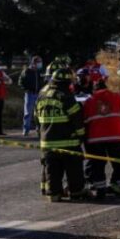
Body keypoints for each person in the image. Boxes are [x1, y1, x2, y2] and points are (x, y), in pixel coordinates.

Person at [37, 66, 86, 202]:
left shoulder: (41, 95)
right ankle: (76, 192)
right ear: (66, 83)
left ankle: (54, 194)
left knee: (52, 170)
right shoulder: (66, 96)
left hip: (47, 142)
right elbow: (77, 118)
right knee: (74, 169)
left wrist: (41, 136)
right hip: (68, 142)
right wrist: (81, 136)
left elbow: (36, 119)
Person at [82, 72, 120, 198]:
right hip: (116, 136)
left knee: (98, 165)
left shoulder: (90, 100)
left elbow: (86, 120)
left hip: (97, 138)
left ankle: (100, 191)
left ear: (94, 89)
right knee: (118, 163)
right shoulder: (117, 96)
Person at [19, 56, 44, 135]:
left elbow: (43, 81)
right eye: (39, 62)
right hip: (30, 94)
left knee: (39, 112)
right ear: (34, 63)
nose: (40, 64)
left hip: (39, 94)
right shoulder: (26, 71)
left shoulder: (40, 71)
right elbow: (20, 82)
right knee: (28, 113)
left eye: (40, 62)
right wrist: (26, 89)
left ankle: (39, 129)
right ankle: (26, 130)